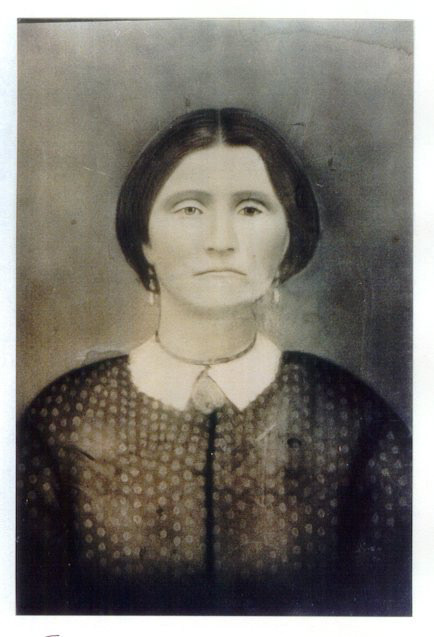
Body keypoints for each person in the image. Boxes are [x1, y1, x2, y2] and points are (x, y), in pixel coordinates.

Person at [17, 108, 411, 616]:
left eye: (250, 209)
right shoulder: (63, 422)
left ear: (290, 238)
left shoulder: (356, 422)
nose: (220, 241)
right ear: (144, 239)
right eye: (189, 209)